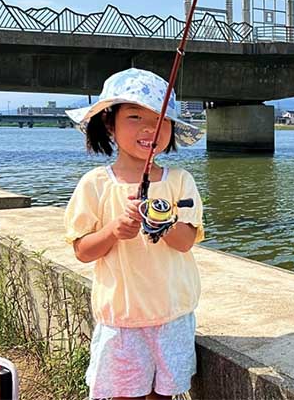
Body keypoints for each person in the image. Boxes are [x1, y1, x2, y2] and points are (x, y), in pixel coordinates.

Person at [63, 68, 205, 400]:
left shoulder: (180, 181)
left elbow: (185, 242)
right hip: (122, 320)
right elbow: (83, 250)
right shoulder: (95, 184)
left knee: (162, 396)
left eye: (161, 119)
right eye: (135, 116)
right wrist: (113, 230)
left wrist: (162, 220)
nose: (149, 128)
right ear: (109, 125)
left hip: (172, 316)